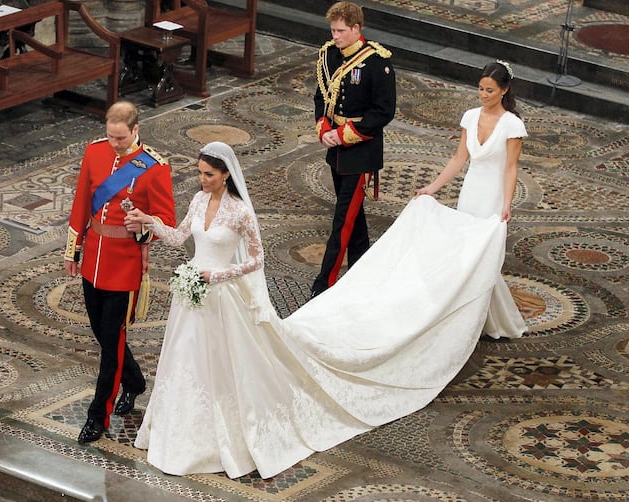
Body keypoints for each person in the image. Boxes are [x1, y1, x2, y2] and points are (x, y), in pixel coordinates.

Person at [125, 142, 509, 479]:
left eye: (208, 174)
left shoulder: (240, 212)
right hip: (192, 298)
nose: (201, 179)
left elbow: (256, 261)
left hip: (222, 297)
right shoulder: (196, 201)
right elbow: (179, 238)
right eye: (199, 173)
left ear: (226, 175)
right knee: (184, 363)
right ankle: (178, 434)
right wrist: (151, 222)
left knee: (224, 365)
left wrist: (219, 274)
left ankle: (222, 436)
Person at [64, 100, 176, 444]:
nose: (115, 144)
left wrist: (143, 225)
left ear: (135, 130)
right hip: (95, 256)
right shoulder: (94, 152)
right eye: (110, 136)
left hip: (125, 265)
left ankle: (98, 415)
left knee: (111, 343)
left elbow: (166, 222)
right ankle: (135, 380)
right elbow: (83, 200)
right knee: (101, 332)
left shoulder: (154, 168)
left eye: (121, 138)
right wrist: (74, 249)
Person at [417, 60, 527, 339]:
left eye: (490, 90)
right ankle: (467, 318)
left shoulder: (512, 125)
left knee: (482, 256)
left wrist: (507, 203)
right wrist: (433, 187)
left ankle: (477, 321)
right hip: (471, 191)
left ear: (504, 90)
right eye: (480, 89)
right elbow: (459, 158)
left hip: (493, 195)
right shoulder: (469, 116)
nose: (484, 95)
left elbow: (511, 167)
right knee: (465, 254)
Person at [311, 1, 397, 298]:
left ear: (357, 28)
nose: (335, 36)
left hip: (361, 151)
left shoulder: (377, 62)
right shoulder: (330, 55)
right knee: (354, 220)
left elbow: (384, 111)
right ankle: (363, 275)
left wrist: (345, 135)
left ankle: (324, 288)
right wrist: (323, 129)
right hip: (336, 150)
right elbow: (321, 96)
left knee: (342, 221)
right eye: (333, 30)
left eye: (341, 31)